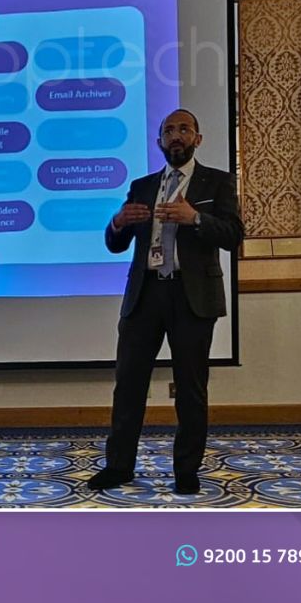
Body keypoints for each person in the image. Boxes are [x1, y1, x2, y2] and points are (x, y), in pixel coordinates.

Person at [87, 108, 243, 495]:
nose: (176, 135)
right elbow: (115, 244)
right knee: (128, 385)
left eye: (184, 129)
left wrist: (195, 219)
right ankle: (119, 466)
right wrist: (118, 222)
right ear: (159, 141)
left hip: (192, 297)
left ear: (197, 139)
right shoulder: (142, 186)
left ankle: (186, 471)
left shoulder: (218, 182)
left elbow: (233, 235)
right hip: (145, 294)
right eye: (169, 130)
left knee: (191, 388)